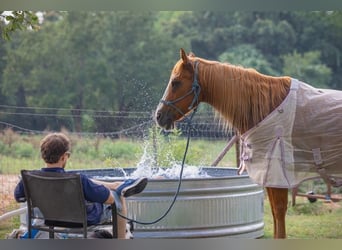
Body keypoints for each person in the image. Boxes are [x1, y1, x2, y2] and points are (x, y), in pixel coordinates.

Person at [14, 132, 148, 239]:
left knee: (88, 186)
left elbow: (18, 197)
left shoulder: (30, 178)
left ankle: (114, 184)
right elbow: (109, 199)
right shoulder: (78, 180)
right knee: (119, 197)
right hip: (83, 219)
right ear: (64, 157)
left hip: (49, 219)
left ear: (43, 155)